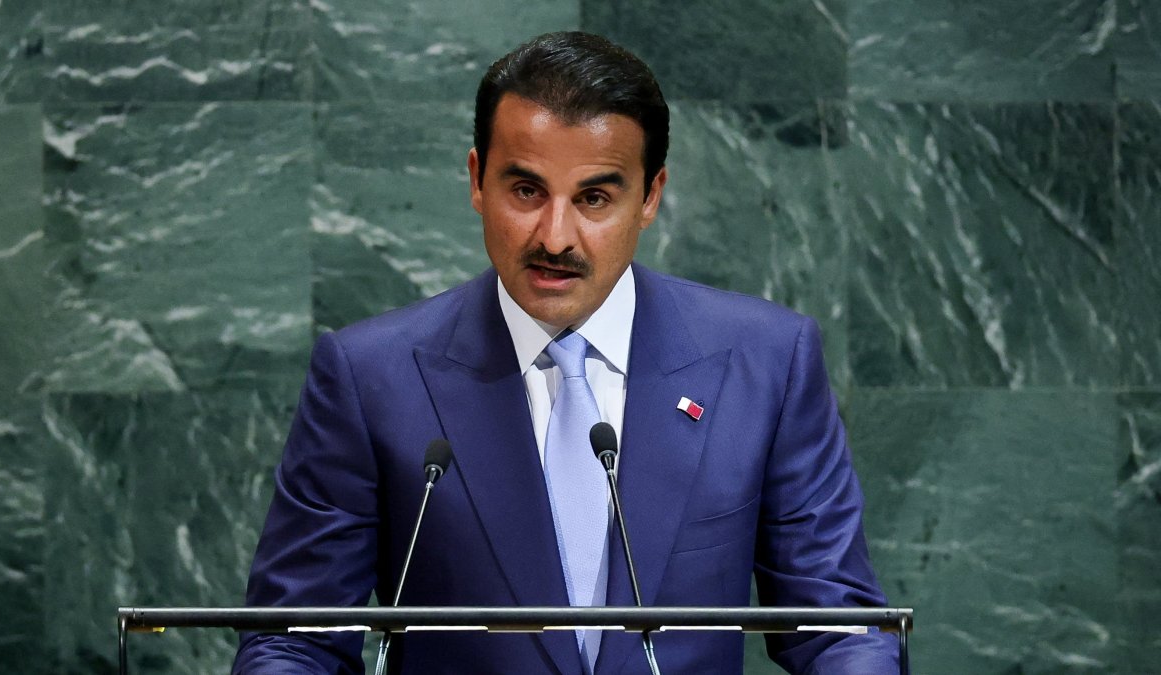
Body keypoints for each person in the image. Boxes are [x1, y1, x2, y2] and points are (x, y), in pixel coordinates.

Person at [234, 31, 897, 674]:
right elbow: (295, 641)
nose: (555, 236)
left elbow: (840, 629)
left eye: (594, 198)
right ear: (476, 180)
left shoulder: (768, 363)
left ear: (651, 197)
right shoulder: (368, 377)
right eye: (526, 191)